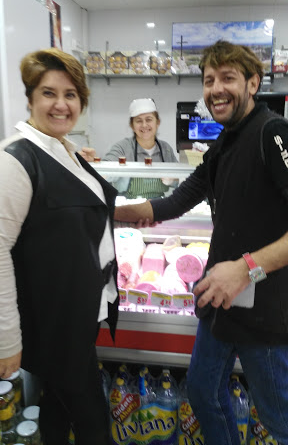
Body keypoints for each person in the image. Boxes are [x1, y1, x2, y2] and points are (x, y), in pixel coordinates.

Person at [114, 40, 288, 444]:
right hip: (218, 300)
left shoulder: (272, 132)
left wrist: (246, 268)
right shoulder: (221, 146)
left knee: (280, 420)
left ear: (253, 83)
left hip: (262, 310)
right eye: (209, 80)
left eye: (228, 78)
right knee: (202, 391)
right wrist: (103, 205)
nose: (216, 89)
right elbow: (170, 203)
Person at [0, 48, 119, 445]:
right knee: (93, 424)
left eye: (71, 95)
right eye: (49, 93)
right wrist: (8, 341)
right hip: (52, 325)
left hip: (77, 318)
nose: (60, 104)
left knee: (56, 411)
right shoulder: (16, 159)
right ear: (31, 98)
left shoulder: (66, 151)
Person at [79, 98, 178, 199]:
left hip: (160, 205)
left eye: (149, 119)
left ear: (157, 122)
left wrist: (173, 179)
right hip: (129, 205)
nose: (144, 125)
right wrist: (95, 163)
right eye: (138, 121)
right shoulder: (122, 148)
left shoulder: (166, 149)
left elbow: (180, 180)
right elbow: (106, 174)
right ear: (132, 125)